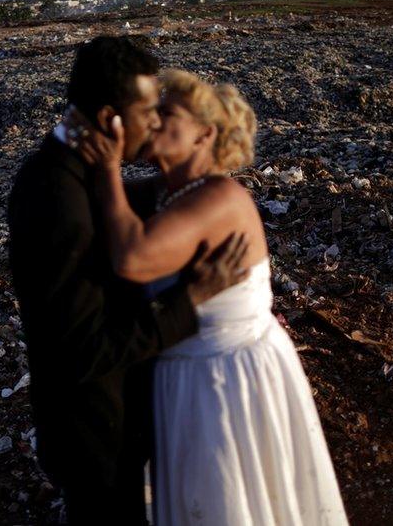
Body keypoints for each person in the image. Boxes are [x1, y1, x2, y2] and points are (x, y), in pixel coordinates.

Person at [75, 68, 349, 525]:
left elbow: (133, 257)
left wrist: (106, 165)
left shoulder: (218, 196)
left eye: (168, 113)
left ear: (206, 134)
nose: (154, 120)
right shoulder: (169, 191)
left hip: (224, 382)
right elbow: (101, 203)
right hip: (189, 376)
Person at [7, 37, 249, 525]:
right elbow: (82, 349)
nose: (155, 123)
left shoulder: (74, 173)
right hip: (94, 435)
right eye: (147, 112)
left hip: (110, 424)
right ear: (108, 118)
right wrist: (193, 300)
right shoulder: (58, 199)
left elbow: (124, 205)